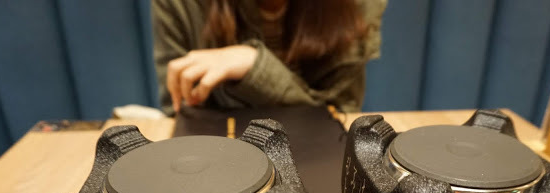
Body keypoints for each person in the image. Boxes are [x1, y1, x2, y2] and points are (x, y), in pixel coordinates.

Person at [152, 0, 386, 115]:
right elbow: (181, 113)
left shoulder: (359, 4)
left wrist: (255, 67)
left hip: (314, 159)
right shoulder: (180, 5)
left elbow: (341, 116)